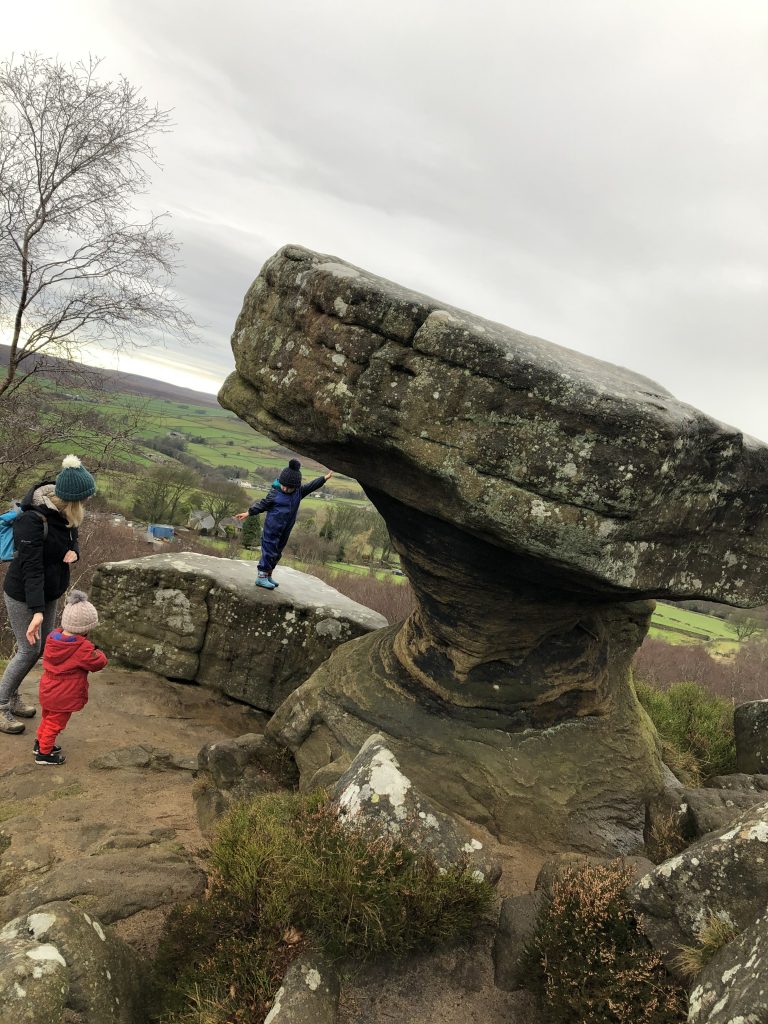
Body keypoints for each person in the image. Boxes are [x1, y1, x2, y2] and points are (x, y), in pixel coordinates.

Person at [0, 455, 97, 735]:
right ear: (73, 499)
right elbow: (31, 569)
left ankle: (12, 697)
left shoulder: (68, 511)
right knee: (29, 648)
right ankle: (2, 704)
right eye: (85, 499)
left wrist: (74, 552)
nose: (87, 503)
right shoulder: (31, 521)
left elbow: (72, 537)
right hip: (24, 594)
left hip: (51, 590)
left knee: (39, 648)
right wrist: (38, 610)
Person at [235, 459, 333, 589]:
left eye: (289, 487)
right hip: (272, 529)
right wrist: (249, 512)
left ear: (296, 487)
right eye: (283, 485)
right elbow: (263, 504)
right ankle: (261, 577)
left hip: (285, 530)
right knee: (269, 552)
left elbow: (311, 486)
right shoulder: (275, 493)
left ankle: (268, 575)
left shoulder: (298, 492)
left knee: (277, 553)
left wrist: (325, 478)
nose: (285, 488)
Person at [34, 590, 108, 765]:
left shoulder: (53, 637)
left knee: (47, 718)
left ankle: (40, 743)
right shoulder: (82, 648)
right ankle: (44, 754)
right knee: (55, 724)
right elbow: (98, 663)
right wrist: (97, 651)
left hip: (48, 689)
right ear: (86, 628)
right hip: (64, 695)